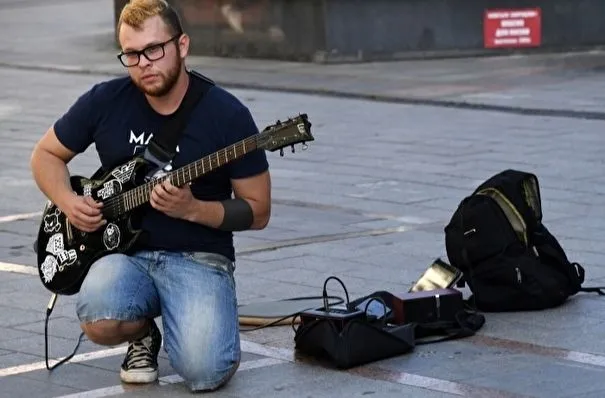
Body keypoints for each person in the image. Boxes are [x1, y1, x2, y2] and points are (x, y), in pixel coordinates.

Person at [29, 0, 271, 392]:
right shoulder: (106, 100)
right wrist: (68, 202)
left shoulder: (228, 115)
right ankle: (143, 333)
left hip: (198, 258)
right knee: (98, 312)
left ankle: (195, 314)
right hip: (125, 256)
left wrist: (194, 209)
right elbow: (45, 156)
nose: (144, 63)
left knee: (205, 371)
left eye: (154, 50)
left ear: (183, 45)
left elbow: (259, 211)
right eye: (132, 54)